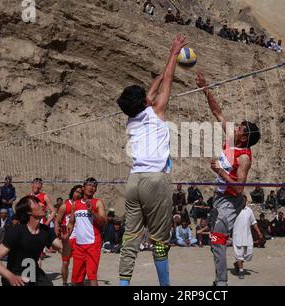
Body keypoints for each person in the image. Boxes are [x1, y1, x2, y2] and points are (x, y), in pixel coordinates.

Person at [116, 34, 187, 287]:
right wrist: (173, 54)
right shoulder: (156, 112)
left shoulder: (132, 119)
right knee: (159, 242)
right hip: (155, 181)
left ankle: (124, 284)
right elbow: (168, 80)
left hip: (133, 181)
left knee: (130, 238)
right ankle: (165, 288)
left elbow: (152, 91)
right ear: (146, 102)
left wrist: (154, 83)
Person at [196, 71, 260, 287]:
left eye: (240, 127)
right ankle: (220, 279)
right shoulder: (232, 139)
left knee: (216, 240)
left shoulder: (244, 157)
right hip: (219, 198)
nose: (235, 127)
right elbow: (217, 112)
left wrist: (220, 173)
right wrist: (205, 88)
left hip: (230, 202)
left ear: (244, 137)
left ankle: (221, 283)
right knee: (215, 241)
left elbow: (241, 188)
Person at [0, 195, 64, 286]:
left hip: (34, 274)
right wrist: (11, 276)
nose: (43, 205)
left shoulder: (46, 230)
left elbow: (63, 250)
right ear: (28, 211)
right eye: (37, 202)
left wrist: (66, 240)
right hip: (15, 276)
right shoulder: (16, 231)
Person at [69, 178, 106, 286]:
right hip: (79, 245)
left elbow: (104, 222)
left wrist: (93, 212)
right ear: (83, 187)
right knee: (77, 280)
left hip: (93, 244)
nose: (91, 187)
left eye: (94, 186)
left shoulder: (97, 202)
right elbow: (71, 223)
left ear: (95, 190)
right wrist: (65, 237)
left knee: (92, 276)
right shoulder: (75, 204)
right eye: (89, 185)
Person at [54, 184, 83, 286]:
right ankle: (65, 283)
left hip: (80, 238)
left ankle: (77, 282)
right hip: (68, 238)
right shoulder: (65, 206)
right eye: (77, 192)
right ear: (72, 192)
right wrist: (57, 234)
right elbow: (57, 221)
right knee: (65, 262)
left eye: (80, 193)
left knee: (79, 263)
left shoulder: (82, 205)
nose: (78, 194)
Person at [233, 200, 262, 279]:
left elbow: (253, 222)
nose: (243, 201)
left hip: (247, 236)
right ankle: (241, 270)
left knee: (249, 254)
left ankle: (237, 264)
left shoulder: (249, 210)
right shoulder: (234, 209)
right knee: (239, 254)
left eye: (244, 200)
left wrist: (259, 232)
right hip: (237, 235)